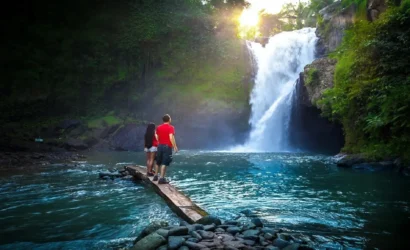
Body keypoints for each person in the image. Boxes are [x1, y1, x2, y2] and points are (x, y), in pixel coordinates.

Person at [153, 114, 178, 184]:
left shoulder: (158, 127)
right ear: (169, 119)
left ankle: (155, 176)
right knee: (164, 162)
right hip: (167, 146)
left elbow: (156, 136)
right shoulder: (171, 127)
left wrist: (159, 142)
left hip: (160, 145)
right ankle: (161, 178)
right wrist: (175, 146)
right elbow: (171, 137)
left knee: (158, 161)